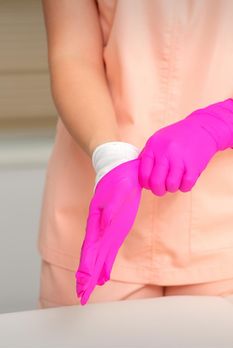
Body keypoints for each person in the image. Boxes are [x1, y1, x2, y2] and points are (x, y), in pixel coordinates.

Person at [37, 0, 233, 309]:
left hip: (222, 225)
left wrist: (221, 123)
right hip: (98, 200)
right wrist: (109, 155)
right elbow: (72, 55)